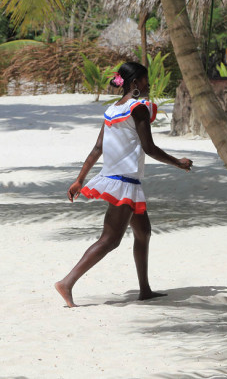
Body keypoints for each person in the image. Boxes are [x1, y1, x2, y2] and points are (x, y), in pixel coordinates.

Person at [55, 62, 193, 307]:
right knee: (110, 239)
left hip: (120, 180)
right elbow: (149, 148)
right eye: (145, 80)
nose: (148, 84)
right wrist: (178, 163)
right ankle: (67, 283)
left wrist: (80, 179)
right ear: (135, 83)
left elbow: (98, 148)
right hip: (124, 183)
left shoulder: (112, 109)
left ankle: (145, 290)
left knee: (143, 232)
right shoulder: (137, 108)